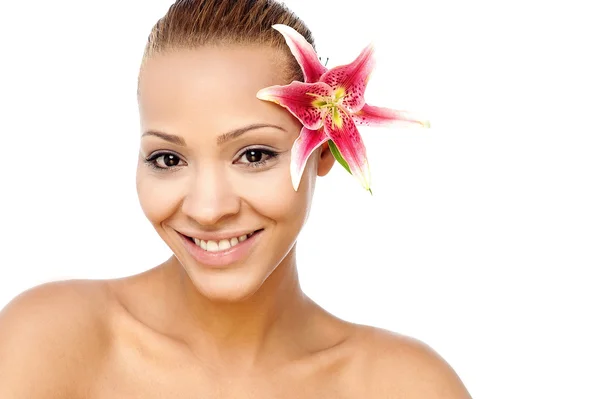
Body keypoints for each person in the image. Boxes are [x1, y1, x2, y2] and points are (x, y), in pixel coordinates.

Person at [0, 0, 471, 397]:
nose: (207, 209)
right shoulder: (47, 339)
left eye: (253, 154)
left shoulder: (405, 385)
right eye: (168, 159)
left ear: (323, 151)